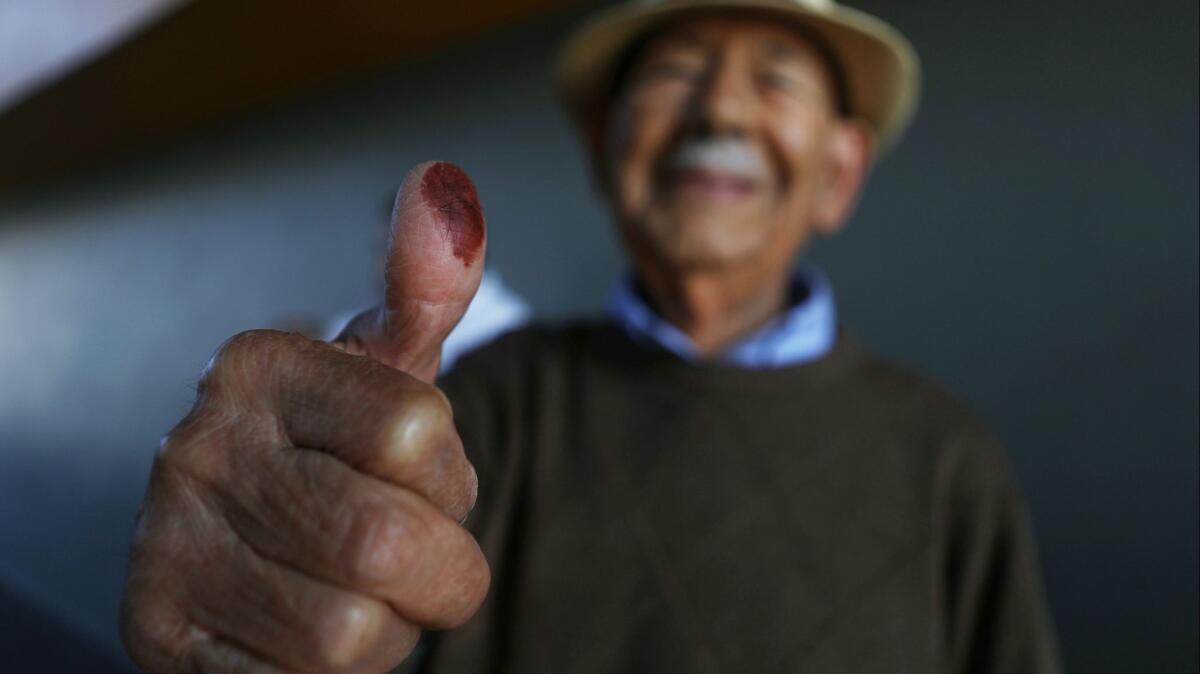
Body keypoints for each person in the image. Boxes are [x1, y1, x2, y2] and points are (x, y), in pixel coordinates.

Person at [119, 0, 1063, 672]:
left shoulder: (947, 456)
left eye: (774, 81)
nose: (721, 112)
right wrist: (262, 568)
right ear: (608, 151)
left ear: (838, 175)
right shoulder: (468, 411)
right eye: (678, 74)